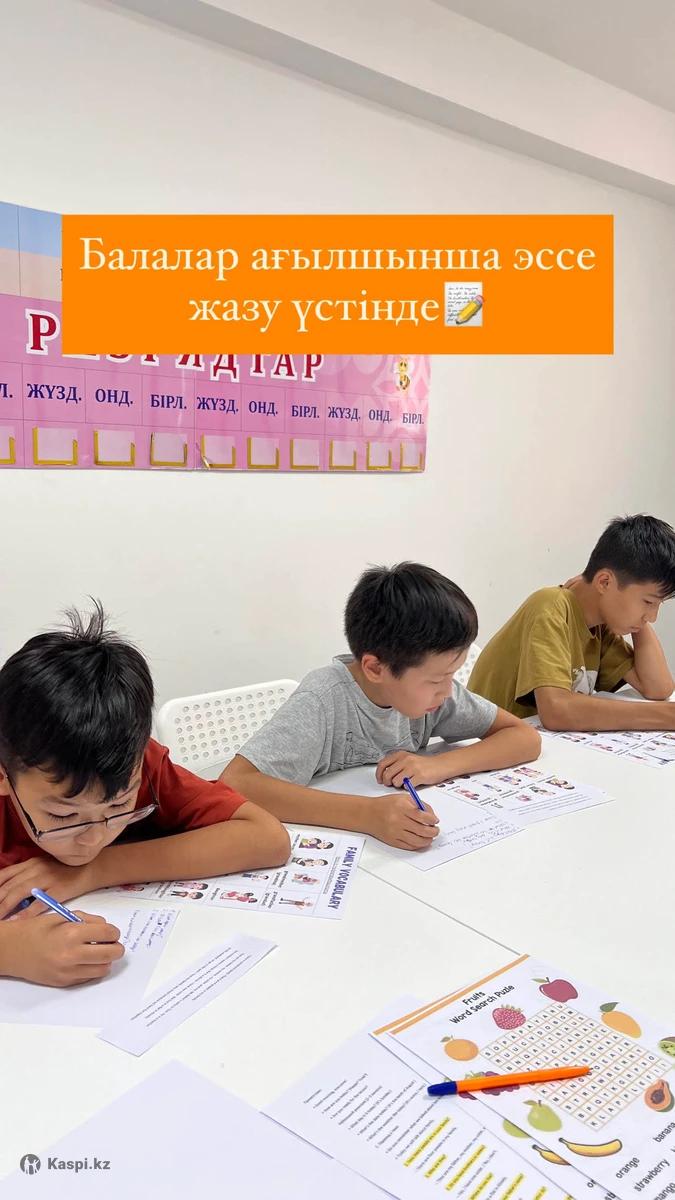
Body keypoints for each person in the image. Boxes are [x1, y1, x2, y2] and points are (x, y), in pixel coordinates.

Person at [0, 605, 290, 988]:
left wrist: (95, 871)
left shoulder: (138, 765)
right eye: (63, 817)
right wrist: (10, 951)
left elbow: (267, 838)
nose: (93, 838)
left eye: (120, 806)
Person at [221, 563, 540, 851]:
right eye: (436, 679)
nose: (447, 691)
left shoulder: (436, 694)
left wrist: (438, 766)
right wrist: (367, 814)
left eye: (452, 675)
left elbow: (524, 737)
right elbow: (236, 784)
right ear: (375, 668)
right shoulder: (323, 700)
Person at [469, 515, 675, 731]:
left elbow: (658, 688)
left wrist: (639, 623)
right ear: (604, 582)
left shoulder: (600, 625)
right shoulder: (550, 606)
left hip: (539, 742)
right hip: (488, 742)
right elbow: (557, 710)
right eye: (648, 602)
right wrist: (668, 717)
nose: (652, 616)